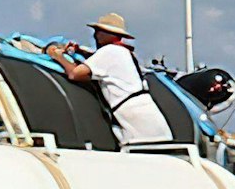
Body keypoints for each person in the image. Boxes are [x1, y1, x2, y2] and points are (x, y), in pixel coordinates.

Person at [45, 12, 171, 145]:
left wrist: (57, 56)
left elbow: (75, 74)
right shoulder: (122, 52)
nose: (95, 35)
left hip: (137, 120)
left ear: (109, 34)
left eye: (99, 31)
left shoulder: (110, 51)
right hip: (144, 116)